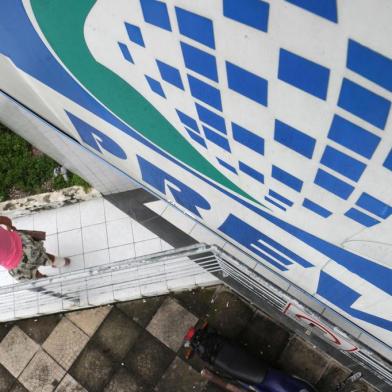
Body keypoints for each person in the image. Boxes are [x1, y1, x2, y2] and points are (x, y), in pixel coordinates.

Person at [0, 215, 70, 281]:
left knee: (32, 274)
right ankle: (62, 262)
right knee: (44, 256)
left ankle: (43, 279)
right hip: (26, 245)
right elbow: (6, 220)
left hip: (15, 265)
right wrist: (10, 229)